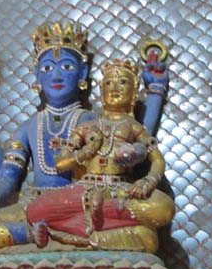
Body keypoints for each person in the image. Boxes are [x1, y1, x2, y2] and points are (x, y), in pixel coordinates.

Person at [0, 22, 169, 257]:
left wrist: (155, 91)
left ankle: (49, 233)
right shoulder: (29, 127)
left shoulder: (93, 120)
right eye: (47, 68)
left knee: (158, 213)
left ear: (82, 74)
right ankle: (36, 234)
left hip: (84, 199)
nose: (56, 75)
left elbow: (134, 137)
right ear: (37, 75)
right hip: (35, 204)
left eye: (67, 66)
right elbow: (7, 178)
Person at [26, 58, 175, 253]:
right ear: (101, 91)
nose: (115, 88)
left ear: (133, 92)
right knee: (34, 210)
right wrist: (87, 151)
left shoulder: (135, 127)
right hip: (85, 190)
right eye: (109, 83)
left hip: (119, 192)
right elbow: (61, 164)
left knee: (163, 209)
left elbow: (157, 159)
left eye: (123, 82)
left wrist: (147, 181)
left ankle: (73, 234)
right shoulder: (87, 127)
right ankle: (95, 227)